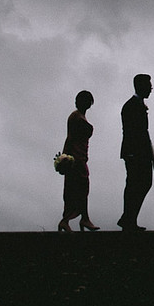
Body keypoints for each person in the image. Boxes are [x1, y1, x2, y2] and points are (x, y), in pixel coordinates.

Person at [117, 74, 154, 231]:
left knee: (144, 183)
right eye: (149, 85)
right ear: (140, 86)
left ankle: (129, 218)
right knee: (135, 184)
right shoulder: (131, 105)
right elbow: (130, 131)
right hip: (135, 152)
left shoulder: (137, 104)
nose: (151, 88)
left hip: (142, 152)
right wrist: (132, 153)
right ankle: (128, 219)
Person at [58, 90, 99, 232]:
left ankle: (74, 219)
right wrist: (65, 156)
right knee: (78, 188)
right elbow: (70, 138)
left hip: (80, 156)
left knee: (80, 189)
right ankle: (79, 219)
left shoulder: (79, 116)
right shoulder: (75, 117)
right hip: (76, 159)